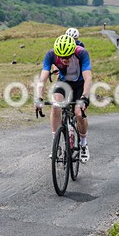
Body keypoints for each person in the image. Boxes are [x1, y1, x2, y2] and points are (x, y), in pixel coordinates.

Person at [35, 34, 92, 162]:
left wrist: (84, 97)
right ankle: (56, 145)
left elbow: (88, 78)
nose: (64, 59)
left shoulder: (81, 53)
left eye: (67, 56)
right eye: (62, 57)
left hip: (80, 84)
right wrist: (39, 97)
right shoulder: (51, 55)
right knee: (55, 106)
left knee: (79, 113)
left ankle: (83, 144)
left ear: (73, 51)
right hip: (64, 83)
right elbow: (43, 78)